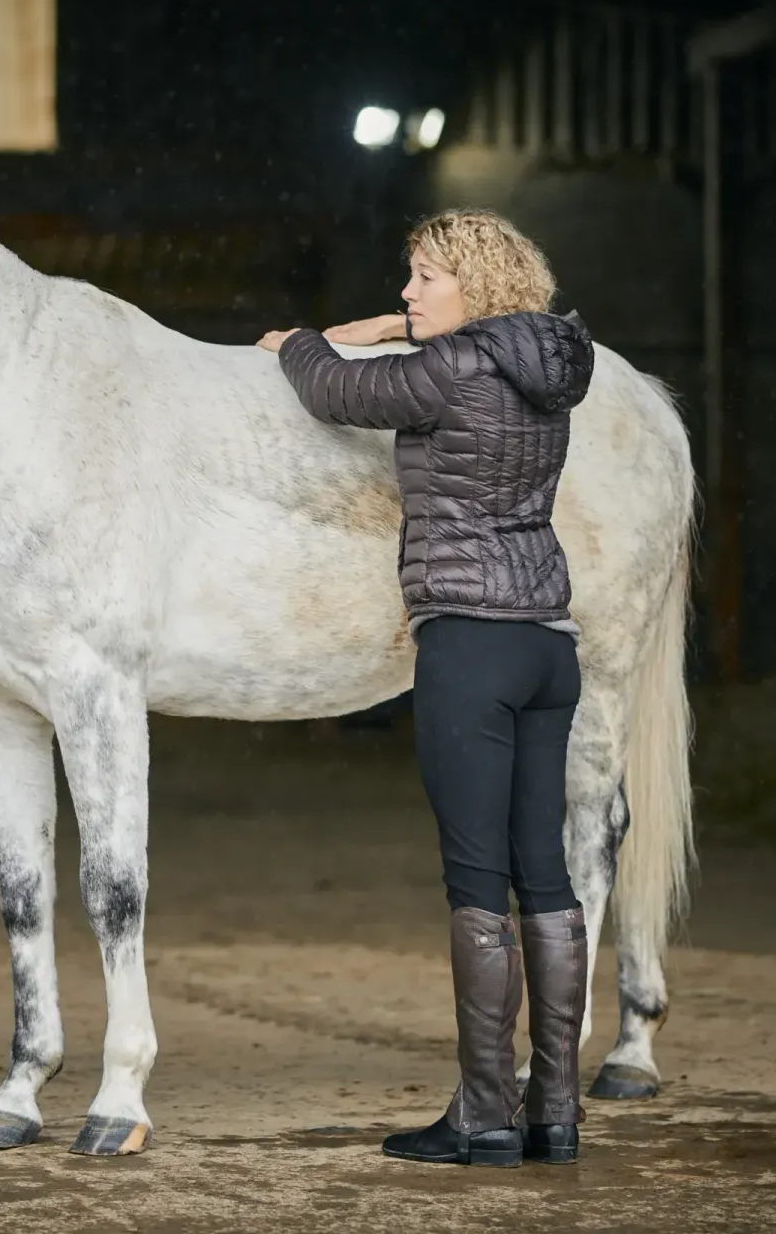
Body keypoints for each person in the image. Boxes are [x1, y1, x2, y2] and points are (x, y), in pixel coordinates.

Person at [258, 209, 595, 1168]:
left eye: (423, 278)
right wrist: (393, 326)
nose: (407, 294)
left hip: (469, 648)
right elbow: (432, 342)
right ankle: (554, 1112)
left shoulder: (454, 370)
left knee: (476, 881)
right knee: (547, 877)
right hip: (545, 643)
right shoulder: (553, 362)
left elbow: (330, 392)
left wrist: (303, 342)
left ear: (473, 288)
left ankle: (485, 1114)